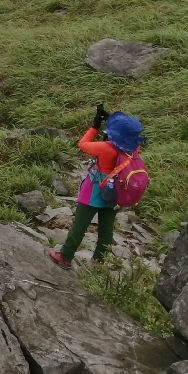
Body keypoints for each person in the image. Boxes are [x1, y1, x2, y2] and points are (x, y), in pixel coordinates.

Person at [50, 108, 144, 268]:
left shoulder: (106, 148)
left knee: (79, 226)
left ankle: (65, 257)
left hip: (94, 191)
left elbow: (83, 144)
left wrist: (95, 127)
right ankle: (99, 263)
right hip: (115, 193)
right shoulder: (133, 149)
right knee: (106, 230)